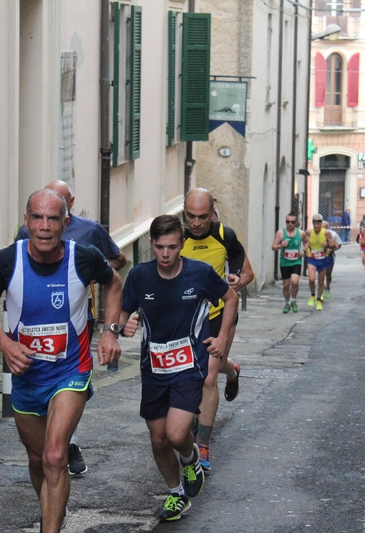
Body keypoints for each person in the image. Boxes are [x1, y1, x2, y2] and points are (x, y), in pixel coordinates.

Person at [0, 189, 122, 533]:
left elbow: (114, 283)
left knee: (56, 456)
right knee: (38, 459)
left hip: (70, 371)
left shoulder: (83, 258)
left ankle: (50, 527)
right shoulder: (6, 261)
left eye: (53, 219)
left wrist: (111, 331)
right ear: (26, 221)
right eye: (37, 218)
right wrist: (6, 346)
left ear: (65, 223)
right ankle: (52, 508)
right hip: (26, 377)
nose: (44, 227)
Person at [120, 215, 238, 521]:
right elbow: (123, 314)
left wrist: (222, 338)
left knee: (175, 433)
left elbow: (231, 297)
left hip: (189, 366)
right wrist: (123, 325)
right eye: (159, 247)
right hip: (153, 369)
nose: (165, 254)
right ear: (151, 245)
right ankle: (176, 494)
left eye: (172, 247)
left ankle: (190, 456)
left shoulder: (199, 273)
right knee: (158, 440)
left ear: (181, 245)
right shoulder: (139, 276)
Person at [16, 180, 126, 476]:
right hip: (35, 327)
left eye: (55, 213)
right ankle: (57, 451)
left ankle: (68, 443)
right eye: (39, 215)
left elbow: (117, 263)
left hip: (77, 320)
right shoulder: (26, 234)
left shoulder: (89, 232)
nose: (46, 224)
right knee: (39, 451)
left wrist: (85, 271)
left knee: (68, 377)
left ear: (69, 208)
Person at [181, 188, 253, 471]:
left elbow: (245, 272)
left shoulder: (226, 236)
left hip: (218, 314)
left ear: (213, 212)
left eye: (202, 216)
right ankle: (232, 370)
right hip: (186, 318)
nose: (196, 223)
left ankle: (203, 444)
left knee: (208, 378)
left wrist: (235, 280)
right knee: (214, 366)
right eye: (190, 216)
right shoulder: (177, 237)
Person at [271, 212, 304, 313]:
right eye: (288, 222)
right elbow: (273, 247)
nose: (290, 224)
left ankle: (293, 300)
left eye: (292, 222)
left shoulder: (301, 233)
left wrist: (304, 250)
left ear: (296, 223)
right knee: (286, 285)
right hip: (284, 262)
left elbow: (307, 242)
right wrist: (281, 245)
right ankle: (287, 303)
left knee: (294, 281)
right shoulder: (281, 233)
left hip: (296, 261)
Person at [303, 214, 336, 310]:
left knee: (321, 281)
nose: (316, 225)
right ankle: (312, 295)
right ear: (312, 223)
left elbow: (333, 245)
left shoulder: (326, 233)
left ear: (321, 223)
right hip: (311, 258)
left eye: (318, 223)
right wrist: (304, 250)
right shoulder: (309, 232)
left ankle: (318, 300)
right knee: (312, 279)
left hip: (322, 259)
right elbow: (306, 242)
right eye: (314, 223)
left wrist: (328, 245)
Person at [321, 221, 343, 299]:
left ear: (328, 228)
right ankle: (321, 291)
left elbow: (339, 244)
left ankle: (327, 287)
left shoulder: (333, 234)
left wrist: (332, 249)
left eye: (324, 228)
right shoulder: (316, 234)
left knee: (328, 274)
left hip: (329, 256)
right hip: (320, 255)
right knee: (321, 274)